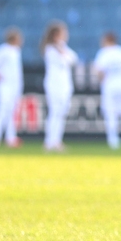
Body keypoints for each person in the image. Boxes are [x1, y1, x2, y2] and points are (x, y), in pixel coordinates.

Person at [92, 31, 121, 149]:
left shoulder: (103, 53)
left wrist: (103, 82)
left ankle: (113, 141)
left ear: (107, 40)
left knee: (111, 113)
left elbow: (99, 72)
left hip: (109, 87)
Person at [0, 27, 24, 149]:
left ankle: (10, 138)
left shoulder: (16, 51)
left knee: (12, 112)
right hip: (5, 85)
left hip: (15, 86)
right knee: (2, 110)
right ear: (14, 38)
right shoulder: (4, 49)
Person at [41, 21, 77, 152]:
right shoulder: (50, 49)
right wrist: (64, 55)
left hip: (65, 84)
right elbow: (64, 62)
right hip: (54, 84)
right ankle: (49, 141)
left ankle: (56, 140)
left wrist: (64, 53)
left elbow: (74, 59)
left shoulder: (62, 47)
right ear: (56, 34)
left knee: (62, 113)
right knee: (54, 112)